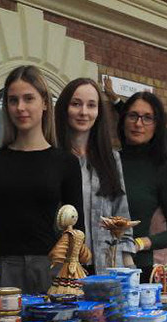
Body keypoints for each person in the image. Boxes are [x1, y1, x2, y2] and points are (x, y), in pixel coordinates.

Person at [0, 65, 84, 293]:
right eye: (13, 101)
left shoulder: (65, 162)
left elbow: (77, 228)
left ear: (44, 103)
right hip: (2, 270)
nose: (20, 107)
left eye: (28, 99)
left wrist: (77, 274)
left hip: (51, 269)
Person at [55, 78, 135, 273]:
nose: (84, 112)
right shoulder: (52, 157)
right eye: (76, 104)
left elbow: (121, 216)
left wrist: (129, 266)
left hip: (106, 267)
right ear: (64, 108)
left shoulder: (111, 159)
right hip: (63, 270)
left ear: (99, 112)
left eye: (91, 105)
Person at [117, 92, 167, 282]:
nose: (138, 123)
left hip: (139, 269)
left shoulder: (163, 171)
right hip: (98, 265)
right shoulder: (108, 162)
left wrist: (143, 243)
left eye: (147, 118)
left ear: (157, 125)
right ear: (123, 121)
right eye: (133, 116)